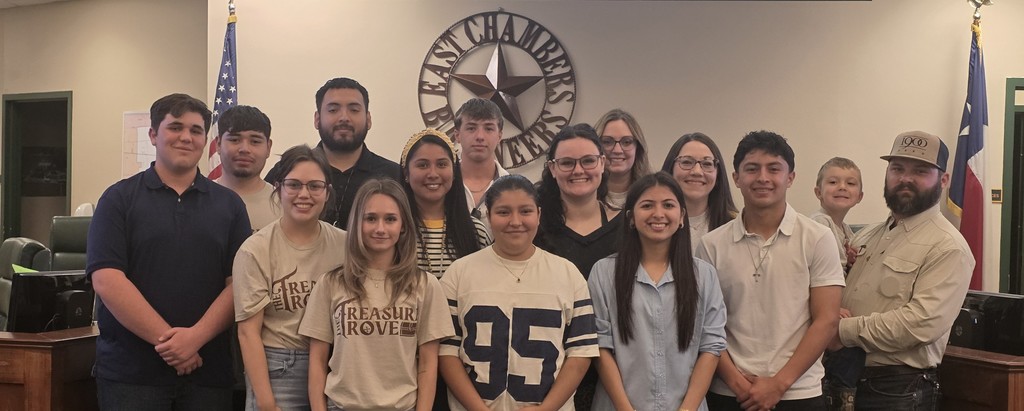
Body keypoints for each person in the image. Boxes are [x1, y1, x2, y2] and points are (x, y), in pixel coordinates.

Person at [88, 93, 251, 409]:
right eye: (175, 127)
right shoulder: (118, 199)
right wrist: (171, 343)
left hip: (207, 374)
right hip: (131, 376)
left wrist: (193, 340)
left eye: (196, 130)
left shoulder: (230, 205)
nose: (186, 137)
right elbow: (107, 280)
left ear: (206, 141)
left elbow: (240, 284)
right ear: (153, 135)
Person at [696, 130, 844, 411]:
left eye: (774, 169)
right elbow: (705, 326)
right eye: (752, 169)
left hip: (799, 393)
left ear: (790, 177)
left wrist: (779, 384)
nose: (763, 178)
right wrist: (738, 384)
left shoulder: (817, 238)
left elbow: (826, 320)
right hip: (728, 393)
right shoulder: (710, 245)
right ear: (737, 178)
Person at [828, 131, 974, 411]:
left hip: (896, 391)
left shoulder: (948, 246)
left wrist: (838, 329)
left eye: (920, 171)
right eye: (897, 169)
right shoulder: (865, 236)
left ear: (943, 180)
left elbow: (919, 324)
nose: (905, 178)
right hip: (842, 377)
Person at [439, 175, 599, 411]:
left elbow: (580, 353)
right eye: (503, 212)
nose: (515, 221)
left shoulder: (568, 274)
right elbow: (446, 352)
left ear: (539, 215)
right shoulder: (459, 274)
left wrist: (547, 409)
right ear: (489, 215)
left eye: (525, 211)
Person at [300, 178, 454, 411]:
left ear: (403, 225)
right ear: (357, 223)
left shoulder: (425, 285)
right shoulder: (331, 283)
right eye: (370, 218)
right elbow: (318, 360)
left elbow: (428, 364)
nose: (380, 228)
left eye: (390, 219)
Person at [588, 172, 726, 411]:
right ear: (631, 217)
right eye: (647, 205)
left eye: (668, 205)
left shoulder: (704, 276)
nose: (658, 214)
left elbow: (711, 346)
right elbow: (600, 347)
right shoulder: (604, 273)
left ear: (682, 216)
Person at [232, 145, 348, 411]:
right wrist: (266, 402)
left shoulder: (345, 246)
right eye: (293, 184)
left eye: (315, 186)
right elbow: (248, 333)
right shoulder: (256, 250)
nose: (304, 194)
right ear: (278, 188)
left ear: (327, 192)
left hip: (336, 367)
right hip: (279, 369)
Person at [535, 123, 621, 410]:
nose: (578, 170)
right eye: (567, 163)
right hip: (550, 369)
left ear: (603, 163)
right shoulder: (534, 228)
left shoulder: (629, 227)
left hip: (615, 371)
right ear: (552, 168)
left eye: (588, 161)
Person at [265, 77, 401, 229]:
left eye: (354, 110)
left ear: (368, 119)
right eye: (333, 110)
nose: (344, 118)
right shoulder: (286, 172)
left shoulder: (394, 175)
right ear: (317, 119)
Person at [399, 128, 491, 278]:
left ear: (454, 172)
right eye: (422, 165)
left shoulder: (476, 232)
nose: (433, 174)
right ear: (406, 174)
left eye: (442, 165)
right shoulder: (393, 230)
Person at [661, 133, 738, 251]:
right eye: (686, 162)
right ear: (670, 170)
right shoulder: (653, 221)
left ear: (718, 175)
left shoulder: (736, 226)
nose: (697, 171)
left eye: (707, 164)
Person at [214, 105, 278, 231]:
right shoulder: (197, 201)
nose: (244, 149)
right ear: (218, 144)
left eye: (255, 141)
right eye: (234, 140)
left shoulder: (284, 204)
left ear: (268, 147)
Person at [451, 98, 509, 229]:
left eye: (488, 129)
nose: (480, 136)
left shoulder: (513, 188)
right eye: (471, 128)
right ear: (457, 135)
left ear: (499, 136)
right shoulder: (443, 184)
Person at [809, 157, 864, 272]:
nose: (842, 187)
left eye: (850, 183)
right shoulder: (819, 223)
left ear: (859, 196)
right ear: (818, 192)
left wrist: (851, 259)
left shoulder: (846, 230)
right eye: (833, 182)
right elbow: (829, 267)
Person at [594, 109, 652, 210]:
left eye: (626, 142)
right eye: (607, 142)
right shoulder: (585, 196)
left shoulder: (653, 193)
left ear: (637, 148)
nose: (617, 150)